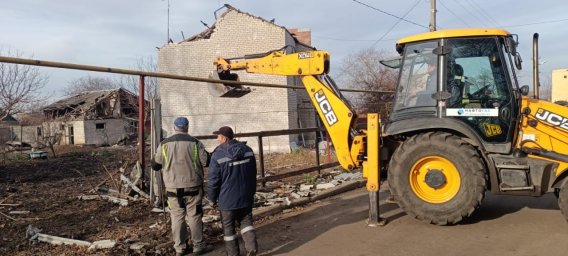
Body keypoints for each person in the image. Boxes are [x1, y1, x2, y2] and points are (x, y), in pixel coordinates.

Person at [151, 117, 211, 256]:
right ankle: (198, 246)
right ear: (187, 127)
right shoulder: (196, 143)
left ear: (174, 127)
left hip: (173, 188)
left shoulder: (164, 144)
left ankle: (180, 248)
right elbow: (206, 162)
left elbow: (155, 165)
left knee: (177, 217)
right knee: (194, 216)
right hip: (193, 187)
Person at [208, 126, 258, 256]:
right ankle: (251, 247)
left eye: (218, 136)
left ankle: (233, 253)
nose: (217, 139)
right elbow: (253, 173)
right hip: (245, 195)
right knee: (246, 222)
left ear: (224, 138)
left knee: (228, 228)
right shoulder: (247, 150)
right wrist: (251, 192)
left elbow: (213, 180)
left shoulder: (218, 155)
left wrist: (212, 198)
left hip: (227, 199)